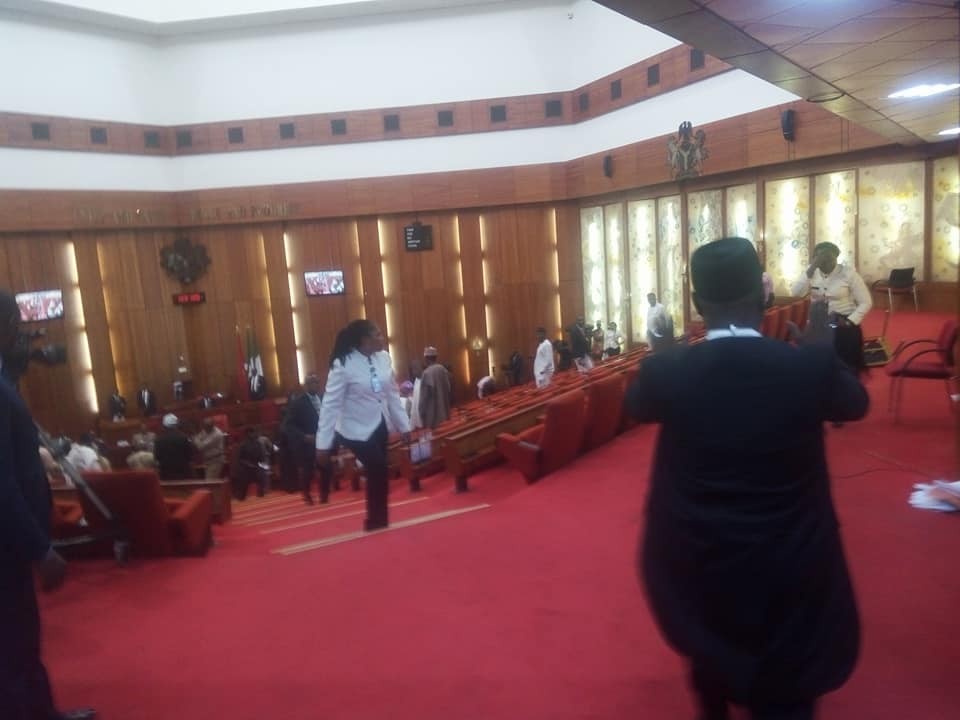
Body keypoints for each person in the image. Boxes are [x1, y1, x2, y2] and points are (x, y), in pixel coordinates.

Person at [625, 238, 868, 720]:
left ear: (697, 304)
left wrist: (666, 355)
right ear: (763, 296)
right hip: (792, 564)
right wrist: (825, 353)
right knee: (788, 692)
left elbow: (637, 406)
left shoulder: (667, 372)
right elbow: (854, 404)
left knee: (710, 654)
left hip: (697, 564)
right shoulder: (805, 366)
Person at [0, 291, 96, 720]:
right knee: (14, 643)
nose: (19, 332)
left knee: (22, 638)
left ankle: (42, 711)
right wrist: (39, 548)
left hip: (11, 544)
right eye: (15, 323)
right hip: (8, 547)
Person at [315, 320, 410, 531]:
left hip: (379, 423)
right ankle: (374, 520)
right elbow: (330, 405)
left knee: (380, 470)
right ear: (365, 340)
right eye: (378, 335)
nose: (382, 338)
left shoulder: (384, 358)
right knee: (377, 466)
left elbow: (392, 394)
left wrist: (404, 426)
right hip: (353, 428)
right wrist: (323, 444)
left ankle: (379, 519)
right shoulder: (343, 364)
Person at [792, 241, 872, 375]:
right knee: (816, 366)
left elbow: (866, 302)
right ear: (815, 259)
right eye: (821, 258)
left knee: (844, 368)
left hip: (842, 322)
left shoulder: (849, 274)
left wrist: (850, 321)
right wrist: (812, 268)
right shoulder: (811, 272)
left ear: (836, 257)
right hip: (818, 323)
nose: (826, 262)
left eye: (829, 258)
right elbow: (796, 293)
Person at [286, 373, 332, 504]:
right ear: (306, 386)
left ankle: (324, 495)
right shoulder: (298, 403)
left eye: (316, 382)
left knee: (326, 467)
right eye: (312, 382)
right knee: (308, 471)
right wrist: (303, 436)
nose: (315, 385)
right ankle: (306, 495)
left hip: (323, 440)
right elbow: (288, 425)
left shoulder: (323, 398)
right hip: (307, 442)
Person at [230, 426, 268, 500]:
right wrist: (247, 464)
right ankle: (241, 498)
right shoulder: (243, 445)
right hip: (246, 469)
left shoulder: (258, 443)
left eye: (254, 432)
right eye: (252, 433)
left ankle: (261, 496)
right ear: (248, 434)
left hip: (257, 467)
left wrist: (262, 466)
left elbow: (262, 456)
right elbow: (240, 459)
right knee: (244, 486)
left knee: (261, 481)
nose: (254, 434)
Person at [419, 346, 451, 429]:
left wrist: (421, 412)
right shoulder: (443, 369)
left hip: (433, 415)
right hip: (445, 411)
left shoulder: (426, 373)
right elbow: (448, 388)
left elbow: (424, 397)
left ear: (426, 358)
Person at [153, 413, 193, 480]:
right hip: (183, 473)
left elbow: (157, 457)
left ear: (164, 426)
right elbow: (190, 456)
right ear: (176, 425)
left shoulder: (159, 440)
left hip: (166, 474)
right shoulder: (184, 438)